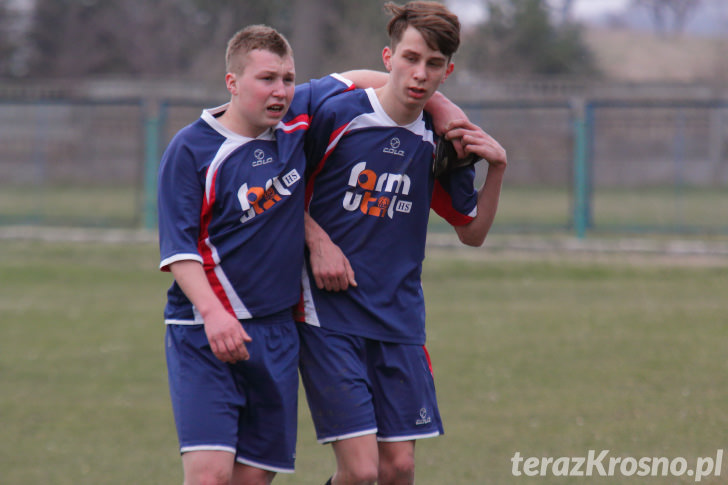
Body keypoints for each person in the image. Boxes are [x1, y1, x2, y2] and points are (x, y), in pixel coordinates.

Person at [157, 23, 469, 485]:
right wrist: (213, 313)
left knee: (251, 480)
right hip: (205, 330)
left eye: (287, 79)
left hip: (279, 333)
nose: (280, 90)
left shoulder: (295, 126)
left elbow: (358, 77)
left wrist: (441, 105)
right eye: (266, 79)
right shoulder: (192, 148)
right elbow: (179, 249)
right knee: (210, 478)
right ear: (232, 82)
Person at [296, 2, 507, 484]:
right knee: (363, 471)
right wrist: (317, 239)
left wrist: (497, 168)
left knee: (400, 468)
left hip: (399, 318)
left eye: (433, 64)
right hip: (329, 315)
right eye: (411, 58)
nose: (420, 73)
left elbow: (472, 232)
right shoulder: (335, 113)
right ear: (388, 57)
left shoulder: (442, 139)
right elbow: (279, 188)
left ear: (447, 71)